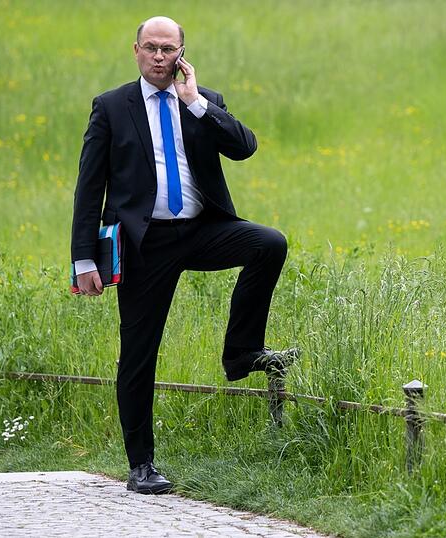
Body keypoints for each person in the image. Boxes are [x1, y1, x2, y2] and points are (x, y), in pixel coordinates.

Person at [70, 16, 298, 495]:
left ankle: (241, 354)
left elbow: (245, 147)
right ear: (135, 50)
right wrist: (83, 259)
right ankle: (141, 465)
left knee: (268, 242)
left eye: (168, 49)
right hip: (143, 244)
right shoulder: (111, 107)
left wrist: (194, 102)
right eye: (150, 47)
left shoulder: (203, 101)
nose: (159, 56)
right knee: (137, 353)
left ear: (181, 54)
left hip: (201, 230)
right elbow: (89, 186)